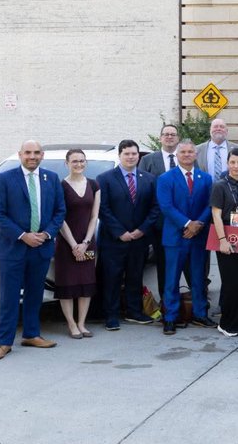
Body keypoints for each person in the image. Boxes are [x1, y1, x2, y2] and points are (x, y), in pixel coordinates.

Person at [0, 140, 67, 361]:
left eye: (36, 153)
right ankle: (4, 342)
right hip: (13, 248)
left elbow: (60, 211)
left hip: (41, 247)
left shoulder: (51, 179)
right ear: (20, 154)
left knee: (35, 294)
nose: (32, 156)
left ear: (42, 155)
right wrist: (23, 236)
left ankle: (32, 335)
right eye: (28, 153)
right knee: (10, 297)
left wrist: (47, 234)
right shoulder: (5, 179)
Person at [98, 139, 160, 330]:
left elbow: (155, 208)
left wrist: (142, 230)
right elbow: (103, 208)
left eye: (134, 154)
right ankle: (112, 316)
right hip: (113, 240)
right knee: (112, 278)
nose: (131, 157)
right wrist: (121, 232)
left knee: (135, 277)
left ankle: (135, 311)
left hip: (139, 239)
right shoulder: (105, 178)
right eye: (127, 154)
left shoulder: (148, 178)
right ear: (120, 155)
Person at [157, 139, 215, 335]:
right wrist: (187, 224)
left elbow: (210, 205)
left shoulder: (205, 178)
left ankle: (200, 313)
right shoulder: (166, 178)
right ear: (177, 155)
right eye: (183, 152)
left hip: (198, 237)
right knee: (172, 279)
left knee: (198, 278)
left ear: (196, 155)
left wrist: (197, 225)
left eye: (191, 152)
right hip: (175, 237)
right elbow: (166, 207)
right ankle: (170, 317)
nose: (187, 155)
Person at [54, 149, 101, 339]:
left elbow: (94, 216)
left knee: (85, 284)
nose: (79, 164)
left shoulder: (94, 185)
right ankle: (71, 324)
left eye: (82, 161)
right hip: (67, 244)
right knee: (67, 285)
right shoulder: (60, 186)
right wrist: (74, 245)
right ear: (67, 163)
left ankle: (82, 323)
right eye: (74, 161)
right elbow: (60, 218)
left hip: (87, 242)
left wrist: (85, 242)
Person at [210, 147, 238, 337]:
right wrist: (222, 240)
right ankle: (227, 323)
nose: (236, 166)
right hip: (226, 238)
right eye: (232, 162)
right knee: (232, 283)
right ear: (228, 164)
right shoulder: (220, 186)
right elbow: (216, 214)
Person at [139, 122, 180, 301]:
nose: (169, 137)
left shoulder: (186, 157)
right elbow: (142, 191)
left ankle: (190, 302)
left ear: (177, 138)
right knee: (164, 265)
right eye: (166, 134)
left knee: (187, 265)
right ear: (160, 138)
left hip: (185, 222)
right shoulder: (148, 160)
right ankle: (167, 301)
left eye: (173, 134)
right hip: (159, 223)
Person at [198, 117, 232, 186]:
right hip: (205, 191)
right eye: (215, 127)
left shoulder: (237, 148)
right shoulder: (198, 149)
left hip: (230, 191)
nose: (218, 129)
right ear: (210, 130)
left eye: (222, 127)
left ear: (227, 131)